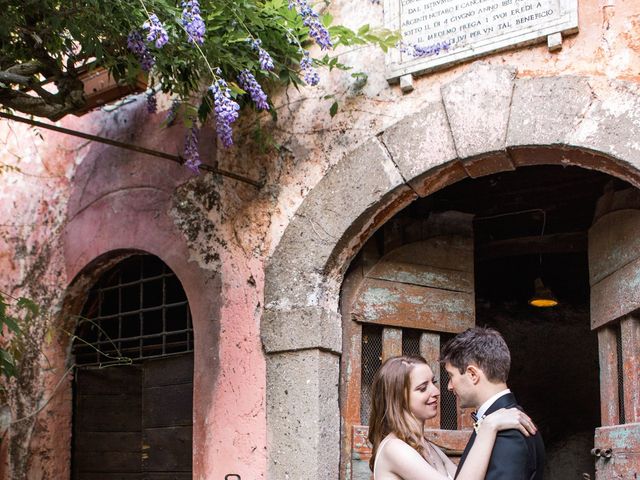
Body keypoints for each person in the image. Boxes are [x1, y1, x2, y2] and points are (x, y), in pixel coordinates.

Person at [369, 355, 537, 480]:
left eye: (433, 383)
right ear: (397, 399)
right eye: (422, 388)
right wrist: (489, 424)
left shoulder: (431, 448)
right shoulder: (394, 449)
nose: (436, 392)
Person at [440, 327, 545, 479]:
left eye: (451, 376)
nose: (449, 386)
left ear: (472, 374)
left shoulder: (509, 434)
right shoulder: (499, 422)